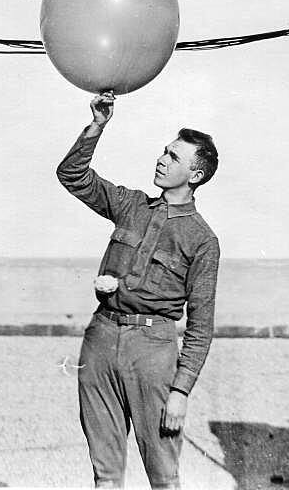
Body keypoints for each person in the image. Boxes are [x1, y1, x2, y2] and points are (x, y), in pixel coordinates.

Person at [57, 92, 220, 489]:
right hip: (101, 338)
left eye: (173, 157)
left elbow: (201, 326)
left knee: (163, 473)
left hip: (153, 350)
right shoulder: (130, 205)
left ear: (195, 175)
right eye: (164, 151)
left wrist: (181, 390)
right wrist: (98, 125)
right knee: (105, 471)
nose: (161, 159)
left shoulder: (202, 240)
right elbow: (73, 176)